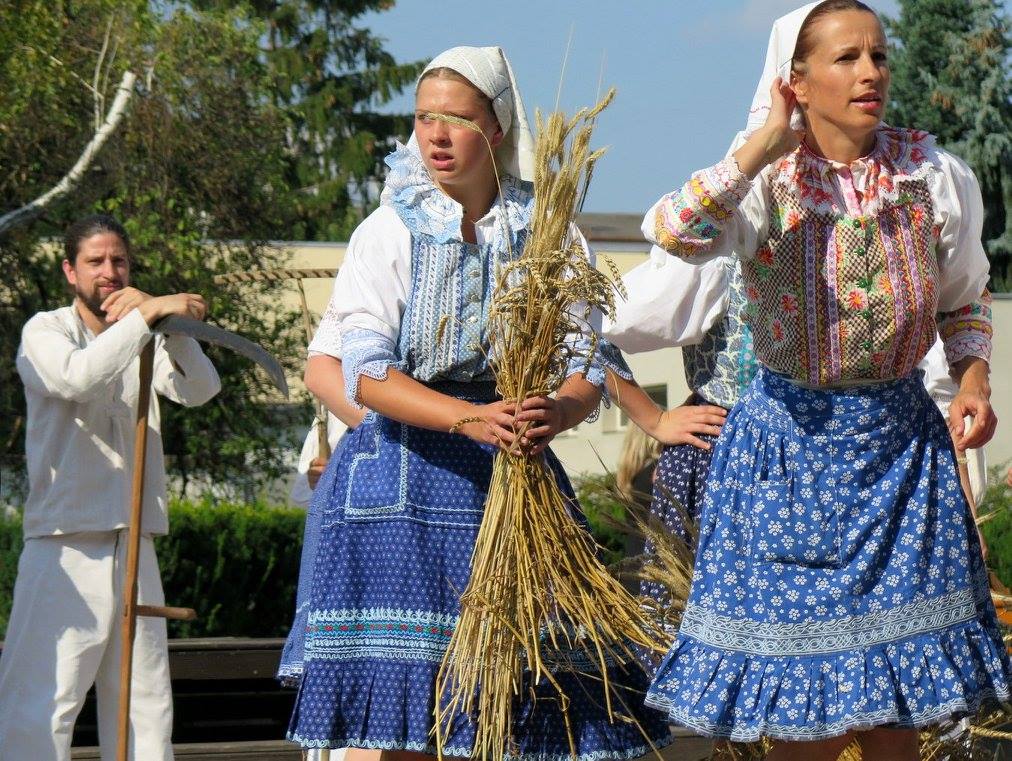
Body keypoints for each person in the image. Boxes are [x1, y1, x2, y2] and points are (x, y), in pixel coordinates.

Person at [641, 3, 1011, 759]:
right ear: (797, 83)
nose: (871, 73)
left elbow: (963, 300)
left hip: (901, 459)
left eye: (878, 55)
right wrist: (761, 144)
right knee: (804, 716)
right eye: (846, 58)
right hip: (788, 462)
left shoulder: (931, 175)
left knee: (896, 718)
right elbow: (676, 233)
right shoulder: (764, 182)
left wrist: (973, 382)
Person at [284, 46, 672, 759]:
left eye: (457, 119)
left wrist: (559, 411)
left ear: (496, 128)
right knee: (407, 719)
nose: (435, 135)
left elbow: (588, 356)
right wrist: (466, 418)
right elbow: (362, 372)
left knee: (519, 709)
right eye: (423, 117)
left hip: (513, 475)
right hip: (397, 488)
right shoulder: (389, 229)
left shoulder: (547, 232)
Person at [0, 214, 221, 760]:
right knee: (44, 700)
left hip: (134, 541)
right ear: (69, 271)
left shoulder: (142, 336)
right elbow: (78, 377)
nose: (109, 271)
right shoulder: (45, 331)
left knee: (145, 705)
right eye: (95, 261)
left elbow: (200, 389)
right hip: (64, 543)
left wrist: (171, 324)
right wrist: (146, 316)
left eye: (118, 260)